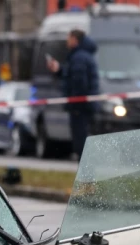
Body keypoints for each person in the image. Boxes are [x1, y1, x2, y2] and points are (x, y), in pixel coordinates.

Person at [47, 29, 99, 159]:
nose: (67, 41)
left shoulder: (79, 57)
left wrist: (75, 104)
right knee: (82, 141)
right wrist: (59, 70)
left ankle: (86, 176)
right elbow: (72, 76)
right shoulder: (80, 56)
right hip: (84, 106)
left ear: (75, 40)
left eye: (69, 38)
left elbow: (79, 82)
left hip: (79, 108)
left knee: (81, 142)